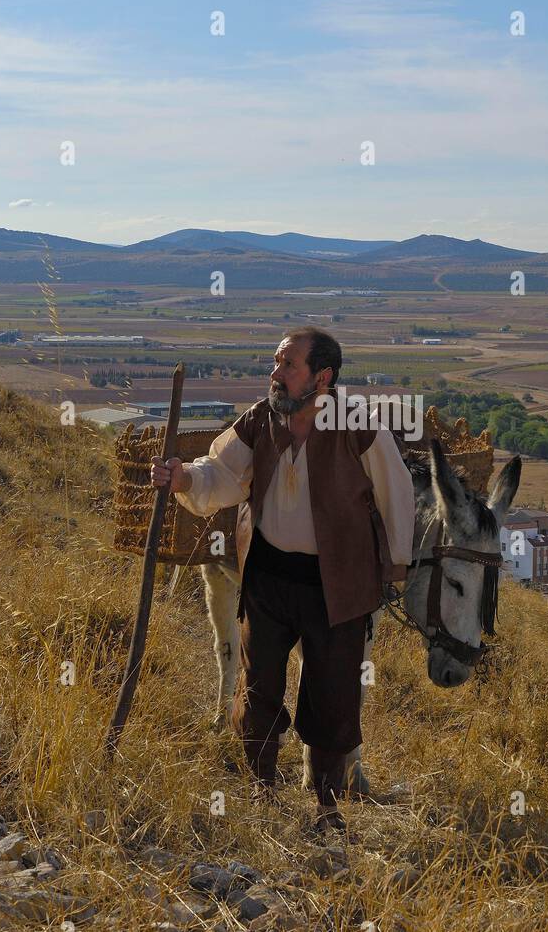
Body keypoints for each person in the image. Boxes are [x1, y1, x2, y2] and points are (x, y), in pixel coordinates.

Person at [151, 327, 415, 831]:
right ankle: (261, 790)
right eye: (275, 363)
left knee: (333, 694)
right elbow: (223, 475)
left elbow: (395, 495)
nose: (275, 373)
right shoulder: (261, 420)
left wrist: (394, 567)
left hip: (336, 586)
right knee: (259, 687)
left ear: (322, 377)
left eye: (287, 365)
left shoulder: (359, 427)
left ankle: (326, 805)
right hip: (269, 578)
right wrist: (183, 478)